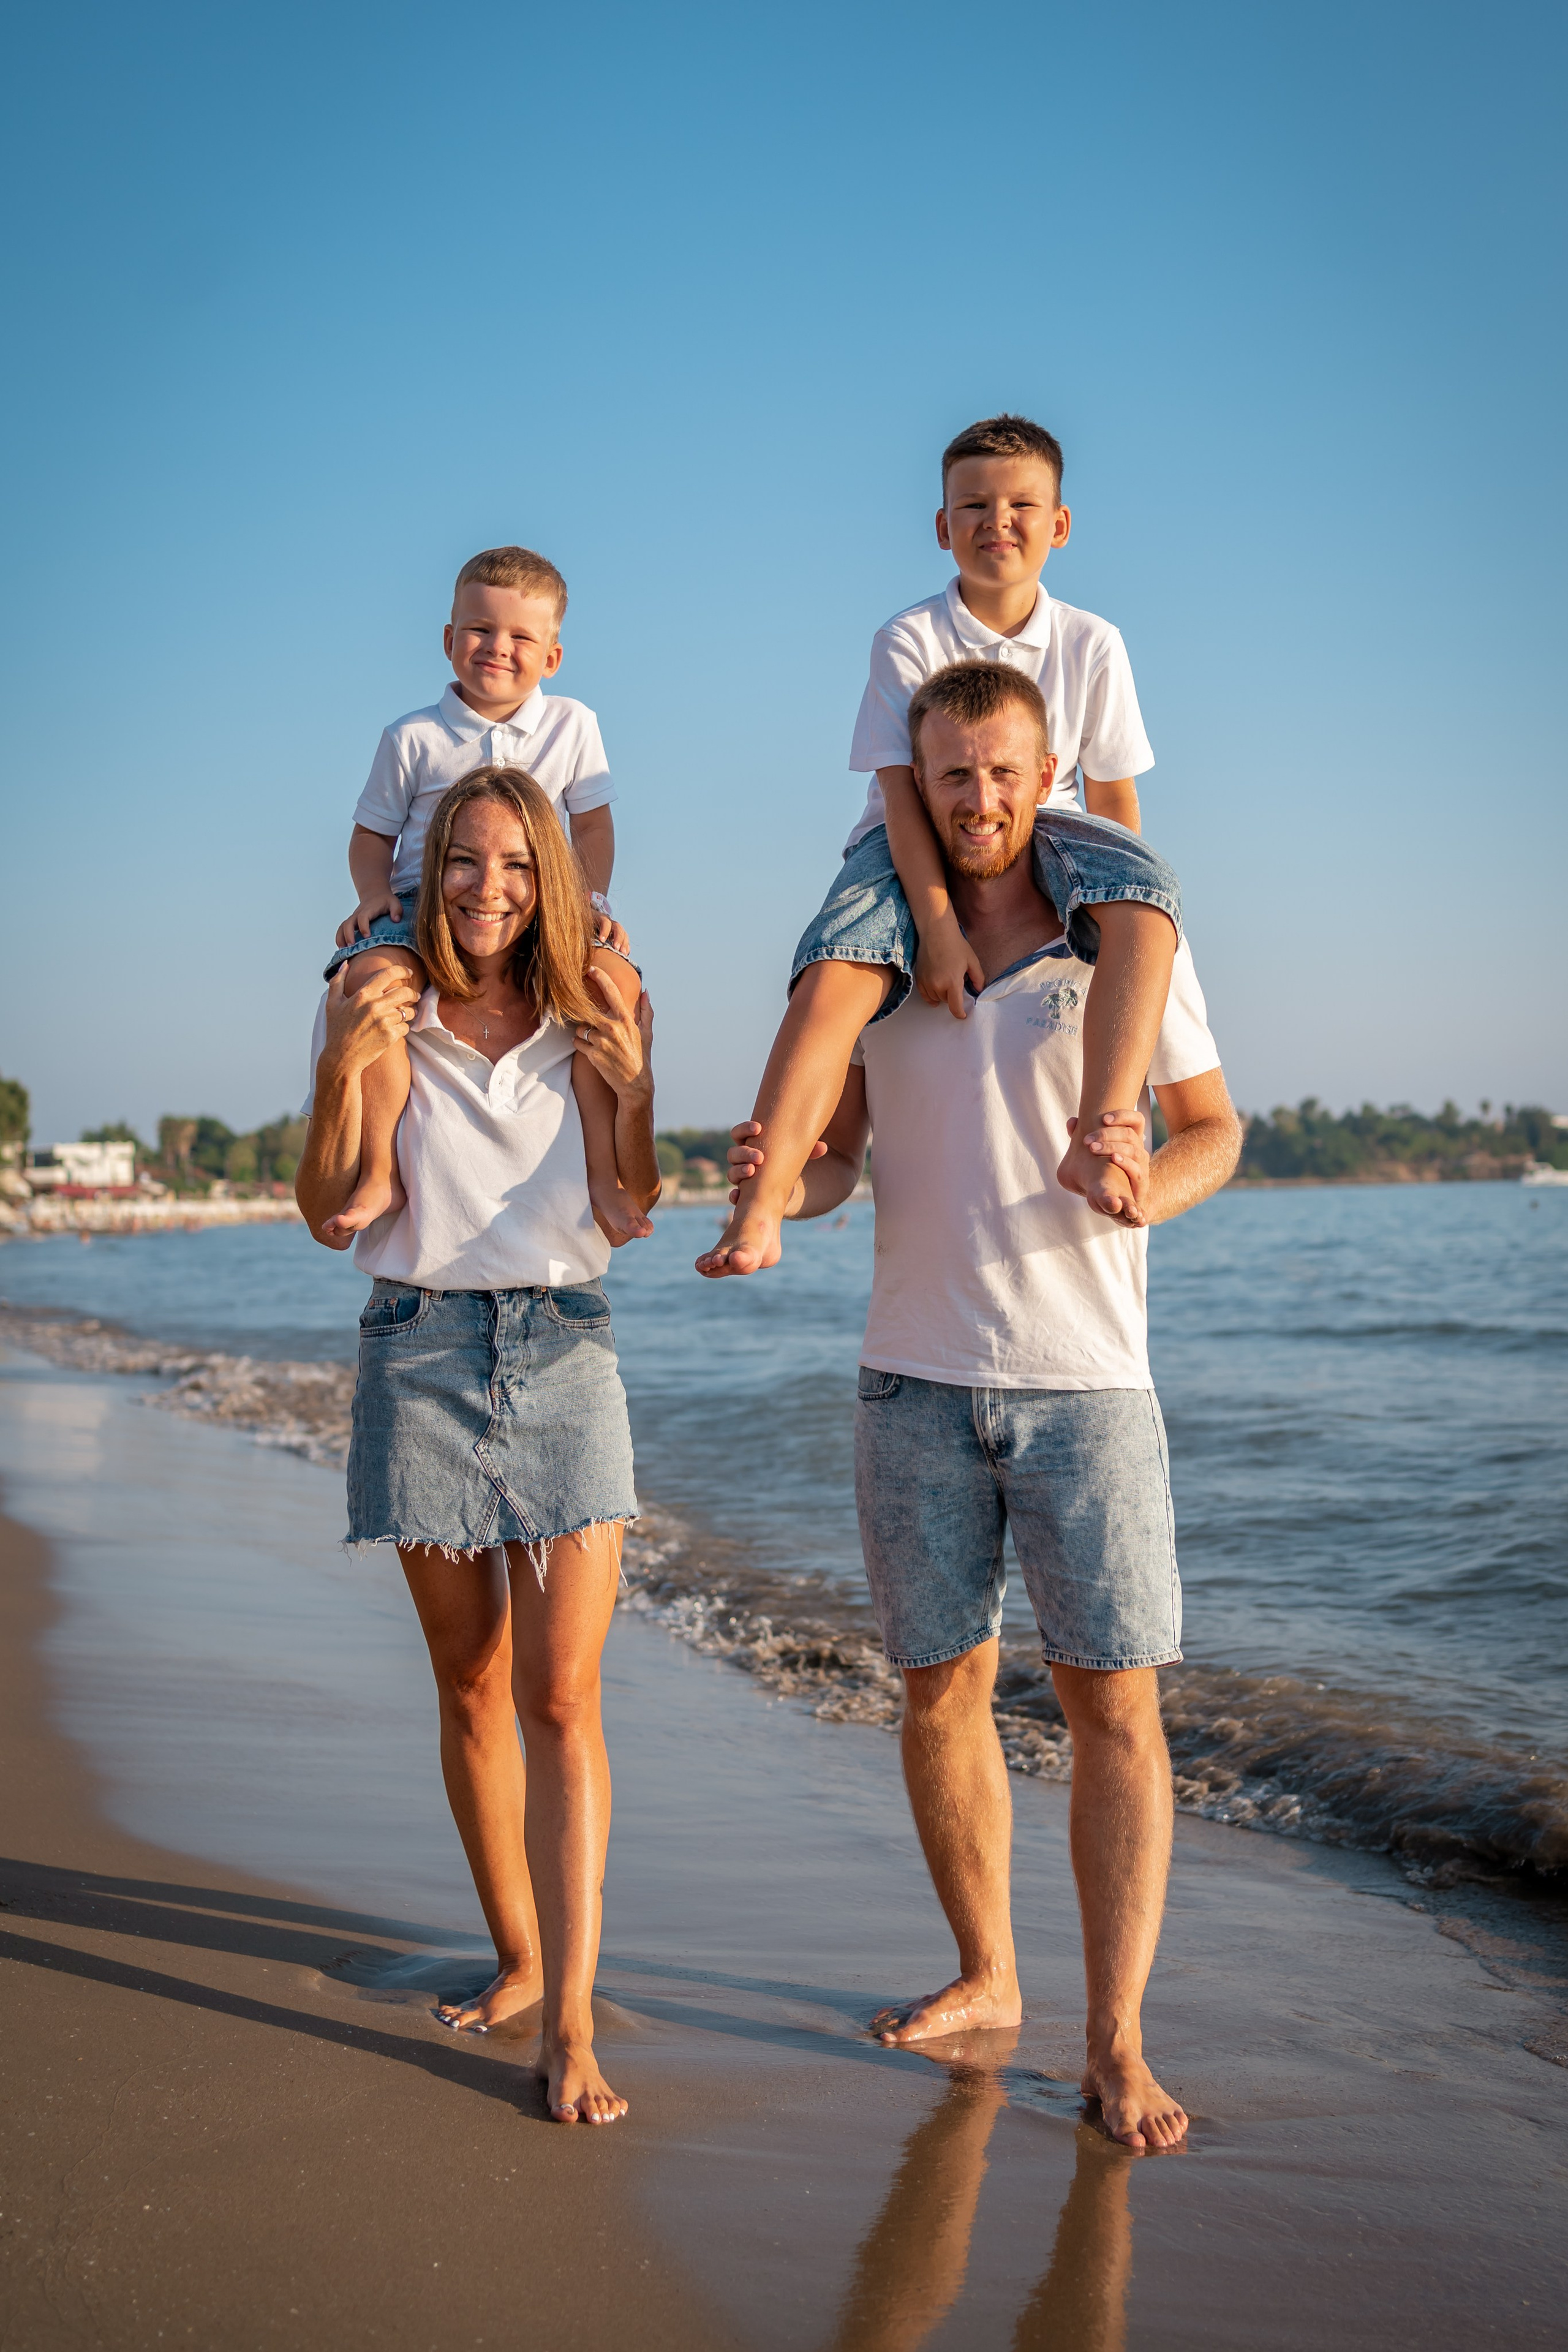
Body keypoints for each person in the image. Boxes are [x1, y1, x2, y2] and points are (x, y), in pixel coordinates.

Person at [725, 660, 1242, 2152]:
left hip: (1090, 1387)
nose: (978, 798)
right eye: (950, 773)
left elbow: (1216, 1130)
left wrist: (1148, 1184)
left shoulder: (1112, 947)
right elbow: (835, 1163)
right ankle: (985, 1972)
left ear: (1046, 774)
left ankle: (1116, 2039)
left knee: (1113, 1706)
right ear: (917, 784)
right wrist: (777, 1177)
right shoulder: (882, 955)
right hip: (912, 1376)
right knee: (938, 1690)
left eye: (1003, 770)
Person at [295, 767, 660, 2125]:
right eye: (465, 860)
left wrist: (633, 1082)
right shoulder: (379, 998)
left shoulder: (600, 998)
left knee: (561, 1698)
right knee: (470, 1684)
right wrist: (339, 1063)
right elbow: (334, 1210)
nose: (489, 888)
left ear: (550, 878)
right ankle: (519, 1957)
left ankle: (571, 2021)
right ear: (428, 869)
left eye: (516, 865)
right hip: (419, 1347)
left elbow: (627, 1207)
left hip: (565, 1348)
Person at [697, 413, 1180, 1280]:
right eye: (974, 505)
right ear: (942, 525)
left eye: (1021, 504)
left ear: (1060, 524)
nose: (998, 521)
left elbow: (1112, 798)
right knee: (834, 966)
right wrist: (941, 929)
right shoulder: (908, 638)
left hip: (1053, 827)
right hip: (911, 830)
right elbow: (899, 791)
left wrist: (1118, 911)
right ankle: (760, 1202)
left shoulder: (1093, 642)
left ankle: (1099, 1138)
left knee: (1151, 909)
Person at [320, 544, 637, 1247]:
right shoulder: (413, 736)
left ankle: (605, 1177)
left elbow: (592, 826)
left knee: (608, 985)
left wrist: (591, 900)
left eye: (521, 636)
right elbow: (371, 835)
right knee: (374, 983)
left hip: (537, 906)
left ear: (552, 657)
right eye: (480, 630)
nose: (498, 647)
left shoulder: (573, 724)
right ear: (448, 640)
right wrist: (373, 895)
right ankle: (380, 1172)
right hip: (423, 904)